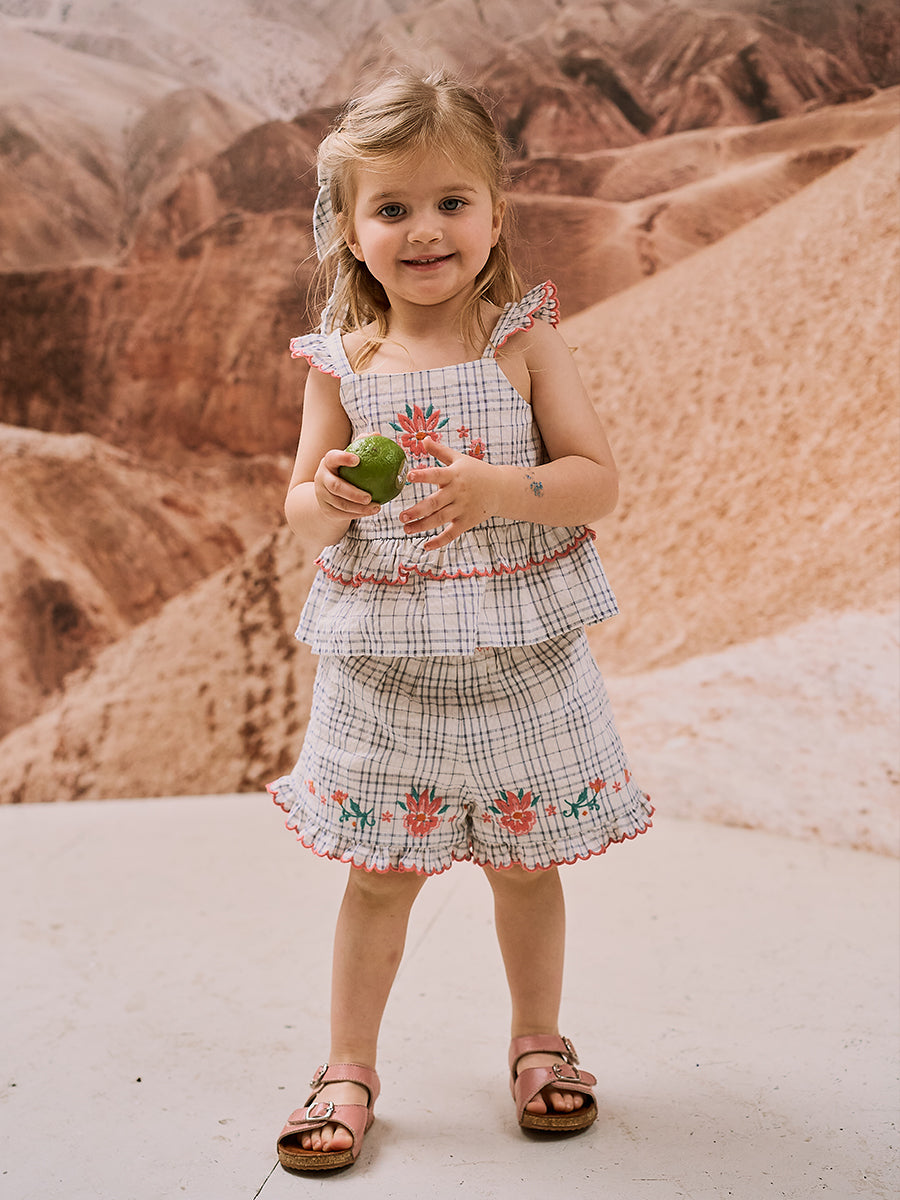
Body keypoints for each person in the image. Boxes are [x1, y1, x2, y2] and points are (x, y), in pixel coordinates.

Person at [267, 71, 653, 1173]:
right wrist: (329, 496)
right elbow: (299, 512)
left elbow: (594, 480)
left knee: (525, 866)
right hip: (388, 670)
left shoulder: (521, 344)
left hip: (518, 658)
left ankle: (539, 1043)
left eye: (451, 202)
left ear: (494, 214)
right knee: (379, 876)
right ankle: (348, 1067)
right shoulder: (342, 366)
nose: (424, 230)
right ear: (350, 231)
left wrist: (497, 489)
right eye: (391, 208)